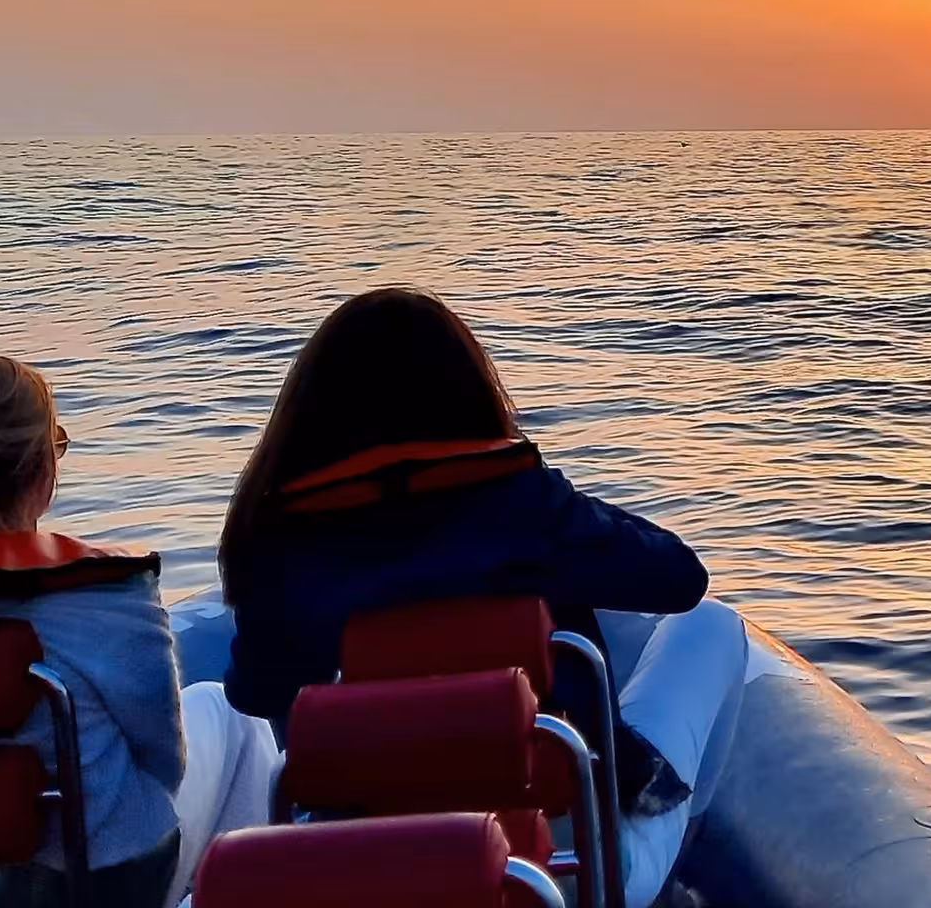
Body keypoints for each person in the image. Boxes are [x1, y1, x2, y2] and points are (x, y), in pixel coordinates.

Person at [218, 287, 748, 908]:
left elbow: (257, 690)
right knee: (711, 628)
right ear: (470, 395)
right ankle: (672, 860)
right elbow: (680, 578)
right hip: (565, 874)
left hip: (363, 870)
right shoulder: (527, 508)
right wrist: (554, 510)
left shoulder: (278, 537)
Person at [0, 354, 278, 908]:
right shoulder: (108, 593)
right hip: (105, 875)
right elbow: (165, 759)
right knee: (231, 715)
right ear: (41, 469)